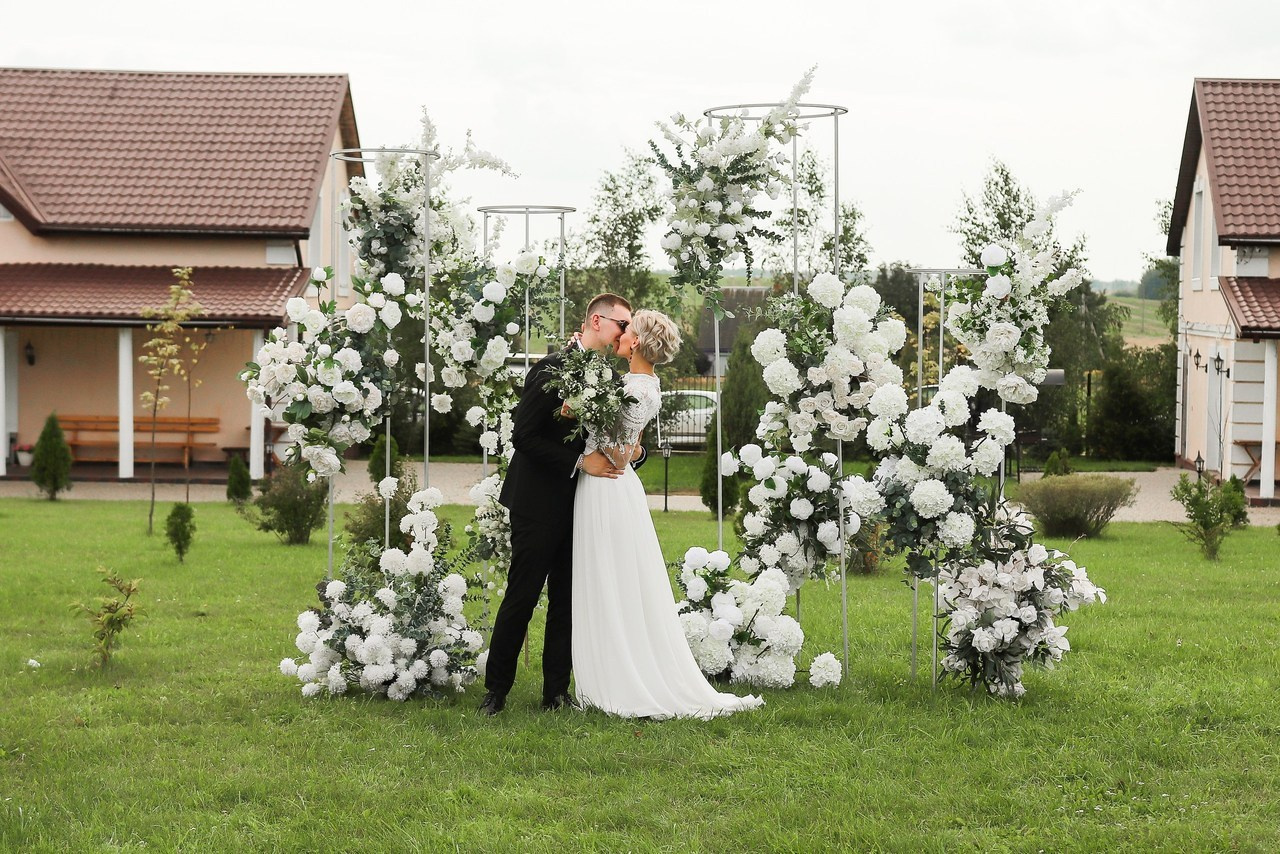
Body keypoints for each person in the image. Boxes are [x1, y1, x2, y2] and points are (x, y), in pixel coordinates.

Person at [572, 310, 764, 719]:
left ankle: (618, 680)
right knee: (608, 578)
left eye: (628, 329)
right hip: (608, 487)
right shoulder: (639, 384)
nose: (621, 333)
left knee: (611, 580)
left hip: (607, 484)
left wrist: (587, 416)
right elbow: (631, 445)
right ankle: (604, 672)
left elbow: (620, 453)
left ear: (638, 342)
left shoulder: (636, 389)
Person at [478, 293, 633, 716]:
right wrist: (580, 462)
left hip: (584, 505)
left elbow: (620, 436)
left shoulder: (611, 378)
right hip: (537, 501)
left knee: (568, 599)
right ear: (597, 321)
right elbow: (523, 436)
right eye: (622, 324)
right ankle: (496, 691)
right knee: (522, 596)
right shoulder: (550, 368)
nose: (625, 333)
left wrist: (631, 455)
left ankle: (556, 693)